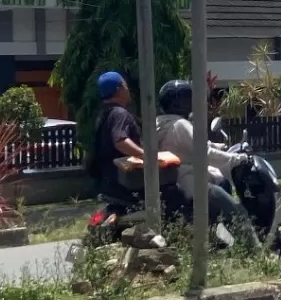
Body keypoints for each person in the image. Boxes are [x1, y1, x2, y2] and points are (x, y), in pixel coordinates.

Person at [153, 80, 254, 243]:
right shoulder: (181, 125)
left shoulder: (160, 124)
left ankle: (214, 236)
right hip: (192, 183)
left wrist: (216, 145)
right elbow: (203, 152)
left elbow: (187, 145)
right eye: (187, 98)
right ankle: (257, 253)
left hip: (176, 180)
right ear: (179, 102)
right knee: (237, 213)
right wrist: (237, 159)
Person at [91, 71, 144, 198]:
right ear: (119, 89)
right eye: (125, 86)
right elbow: (120, 141)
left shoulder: (103, 114)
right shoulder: (120, 113)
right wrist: (146, 156)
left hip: (108, 180)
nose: (128, 89)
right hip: (125, 182)